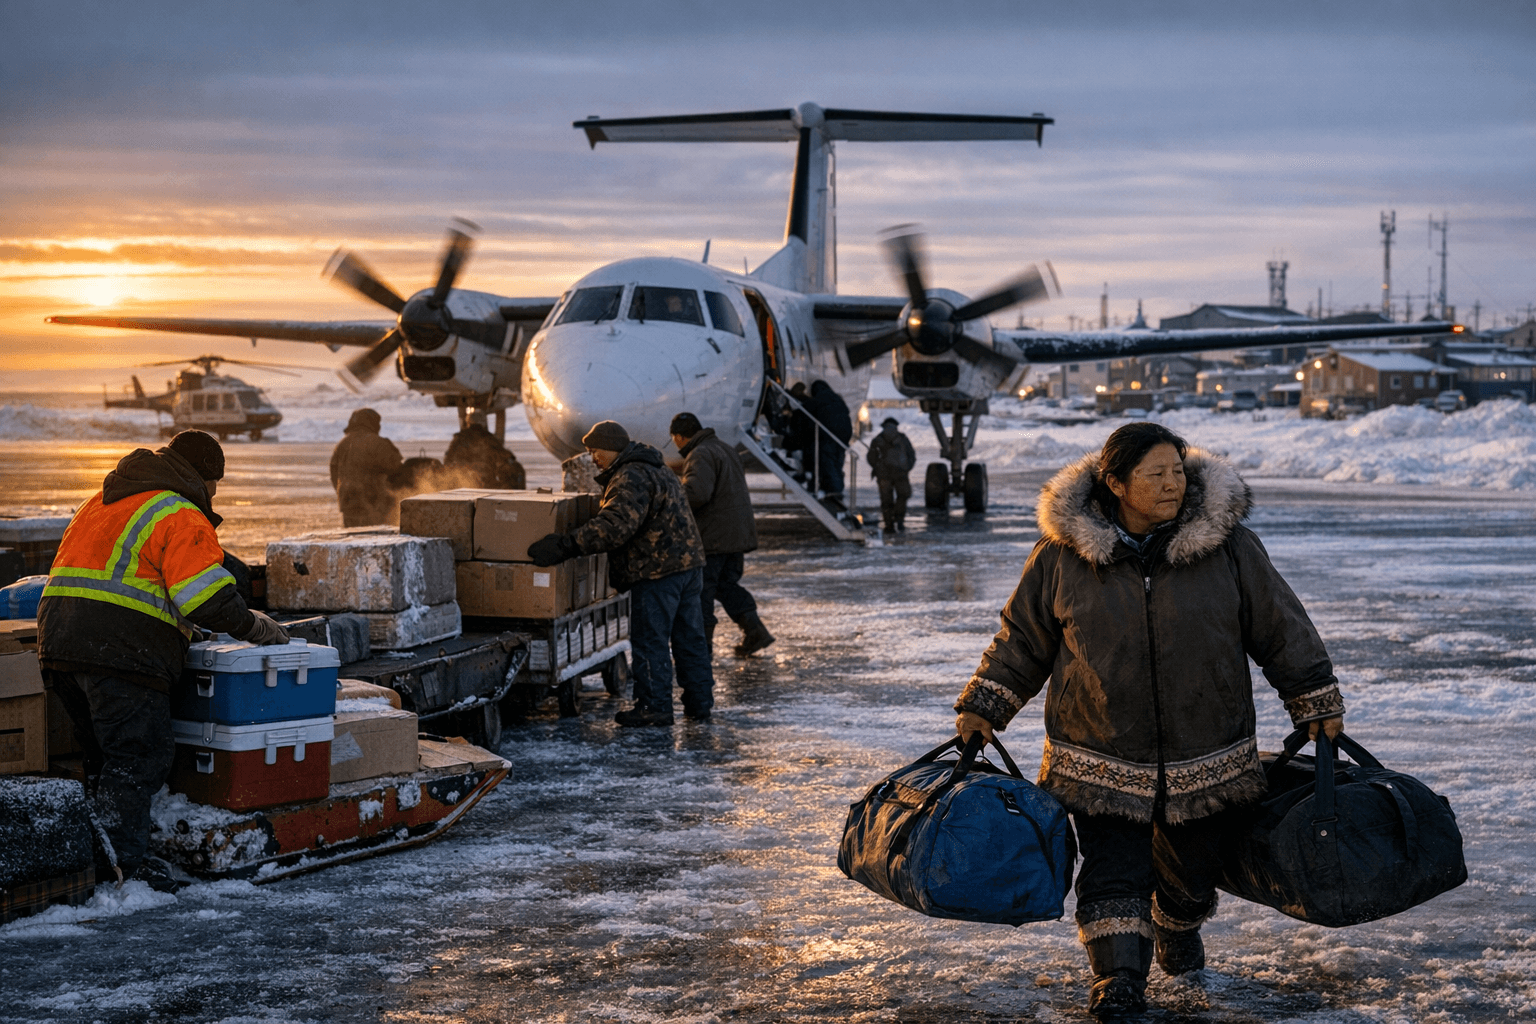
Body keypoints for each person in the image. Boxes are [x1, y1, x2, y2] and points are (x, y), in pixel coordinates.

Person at [950, 422, 1344, 1019]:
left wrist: (1314, 698)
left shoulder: (1229, 547)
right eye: (1155, 474)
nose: (1171, 485)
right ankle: (1117, 978)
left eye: (1177, 472)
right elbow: (1023, 641)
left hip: (1206, 748)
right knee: (1113, 873)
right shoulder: (1062, 556)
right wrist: (985, 706)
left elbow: (1280, 626)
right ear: (1115, 483)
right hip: (1098, 747)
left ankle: (1176, 923)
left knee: (1194, 871)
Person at [37, 430, 290, 885]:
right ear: (204, 477)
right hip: (121, 651)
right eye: (215, 485)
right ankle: (124, 871)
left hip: (59, 642)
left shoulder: (104, 500)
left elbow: (132, 576)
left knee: (104, 759)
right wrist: (254, 626)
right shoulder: (180, 512)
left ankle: (97, 859)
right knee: (138, 758)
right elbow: (205, 597)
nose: (214, 495)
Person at [527, 421, 714, 727]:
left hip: (657, 571)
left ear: (612, 448)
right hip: (688, 566)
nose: (592, 458)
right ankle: (699, 702)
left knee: (650, 640)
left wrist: (567, 544)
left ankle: (654, 706)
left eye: (595, 451)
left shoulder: (631, 475)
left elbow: (614, 526)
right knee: (689, 639)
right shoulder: (656, 467)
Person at [668, 412, 774, 658]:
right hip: (735, 534)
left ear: (679, 437)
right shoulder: (724, 448)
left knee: (703, 592)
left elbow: (697, 494)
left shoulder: (700, 454)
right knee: (726, 585)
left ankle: (701, 649)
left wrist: (671, 498)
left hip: (714, 538)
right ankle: (755, 631)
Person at [329, 408, 403, 526]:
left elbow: (334, 473)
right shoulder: (377, 443)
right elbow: (397, 470)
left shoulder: (342, 444)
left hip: (348, 504)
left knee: (353, 535)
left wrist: (343, 491)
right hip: (372, 504)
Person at [866, 417, 916, 533]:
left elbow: (871, 457)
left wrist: (877, 467)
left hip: (884, 475)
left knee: (886, 501)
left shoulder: (878, 440)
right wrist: (906, 468)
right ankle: (900, 522)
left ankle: (889, 525)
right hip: (901, 474)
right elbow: (911, 455)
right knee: (902, 497)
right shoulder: (902, 439)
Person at [806, 380, 853, 501]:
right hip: (844, 434)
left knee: (828, 462)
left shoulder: (818, 399)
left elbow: (808, 417)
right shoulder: (837, 398)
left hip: (829, 434)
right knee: (837, 462)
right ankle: (836, 488)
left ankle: (834, 489)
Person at [443, 421, 526, 489]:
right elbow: (504, 458)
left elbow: (448, 461)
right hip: (485, 484)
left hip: (464, 483)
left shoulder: (459, 440)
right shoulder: (490, 440)